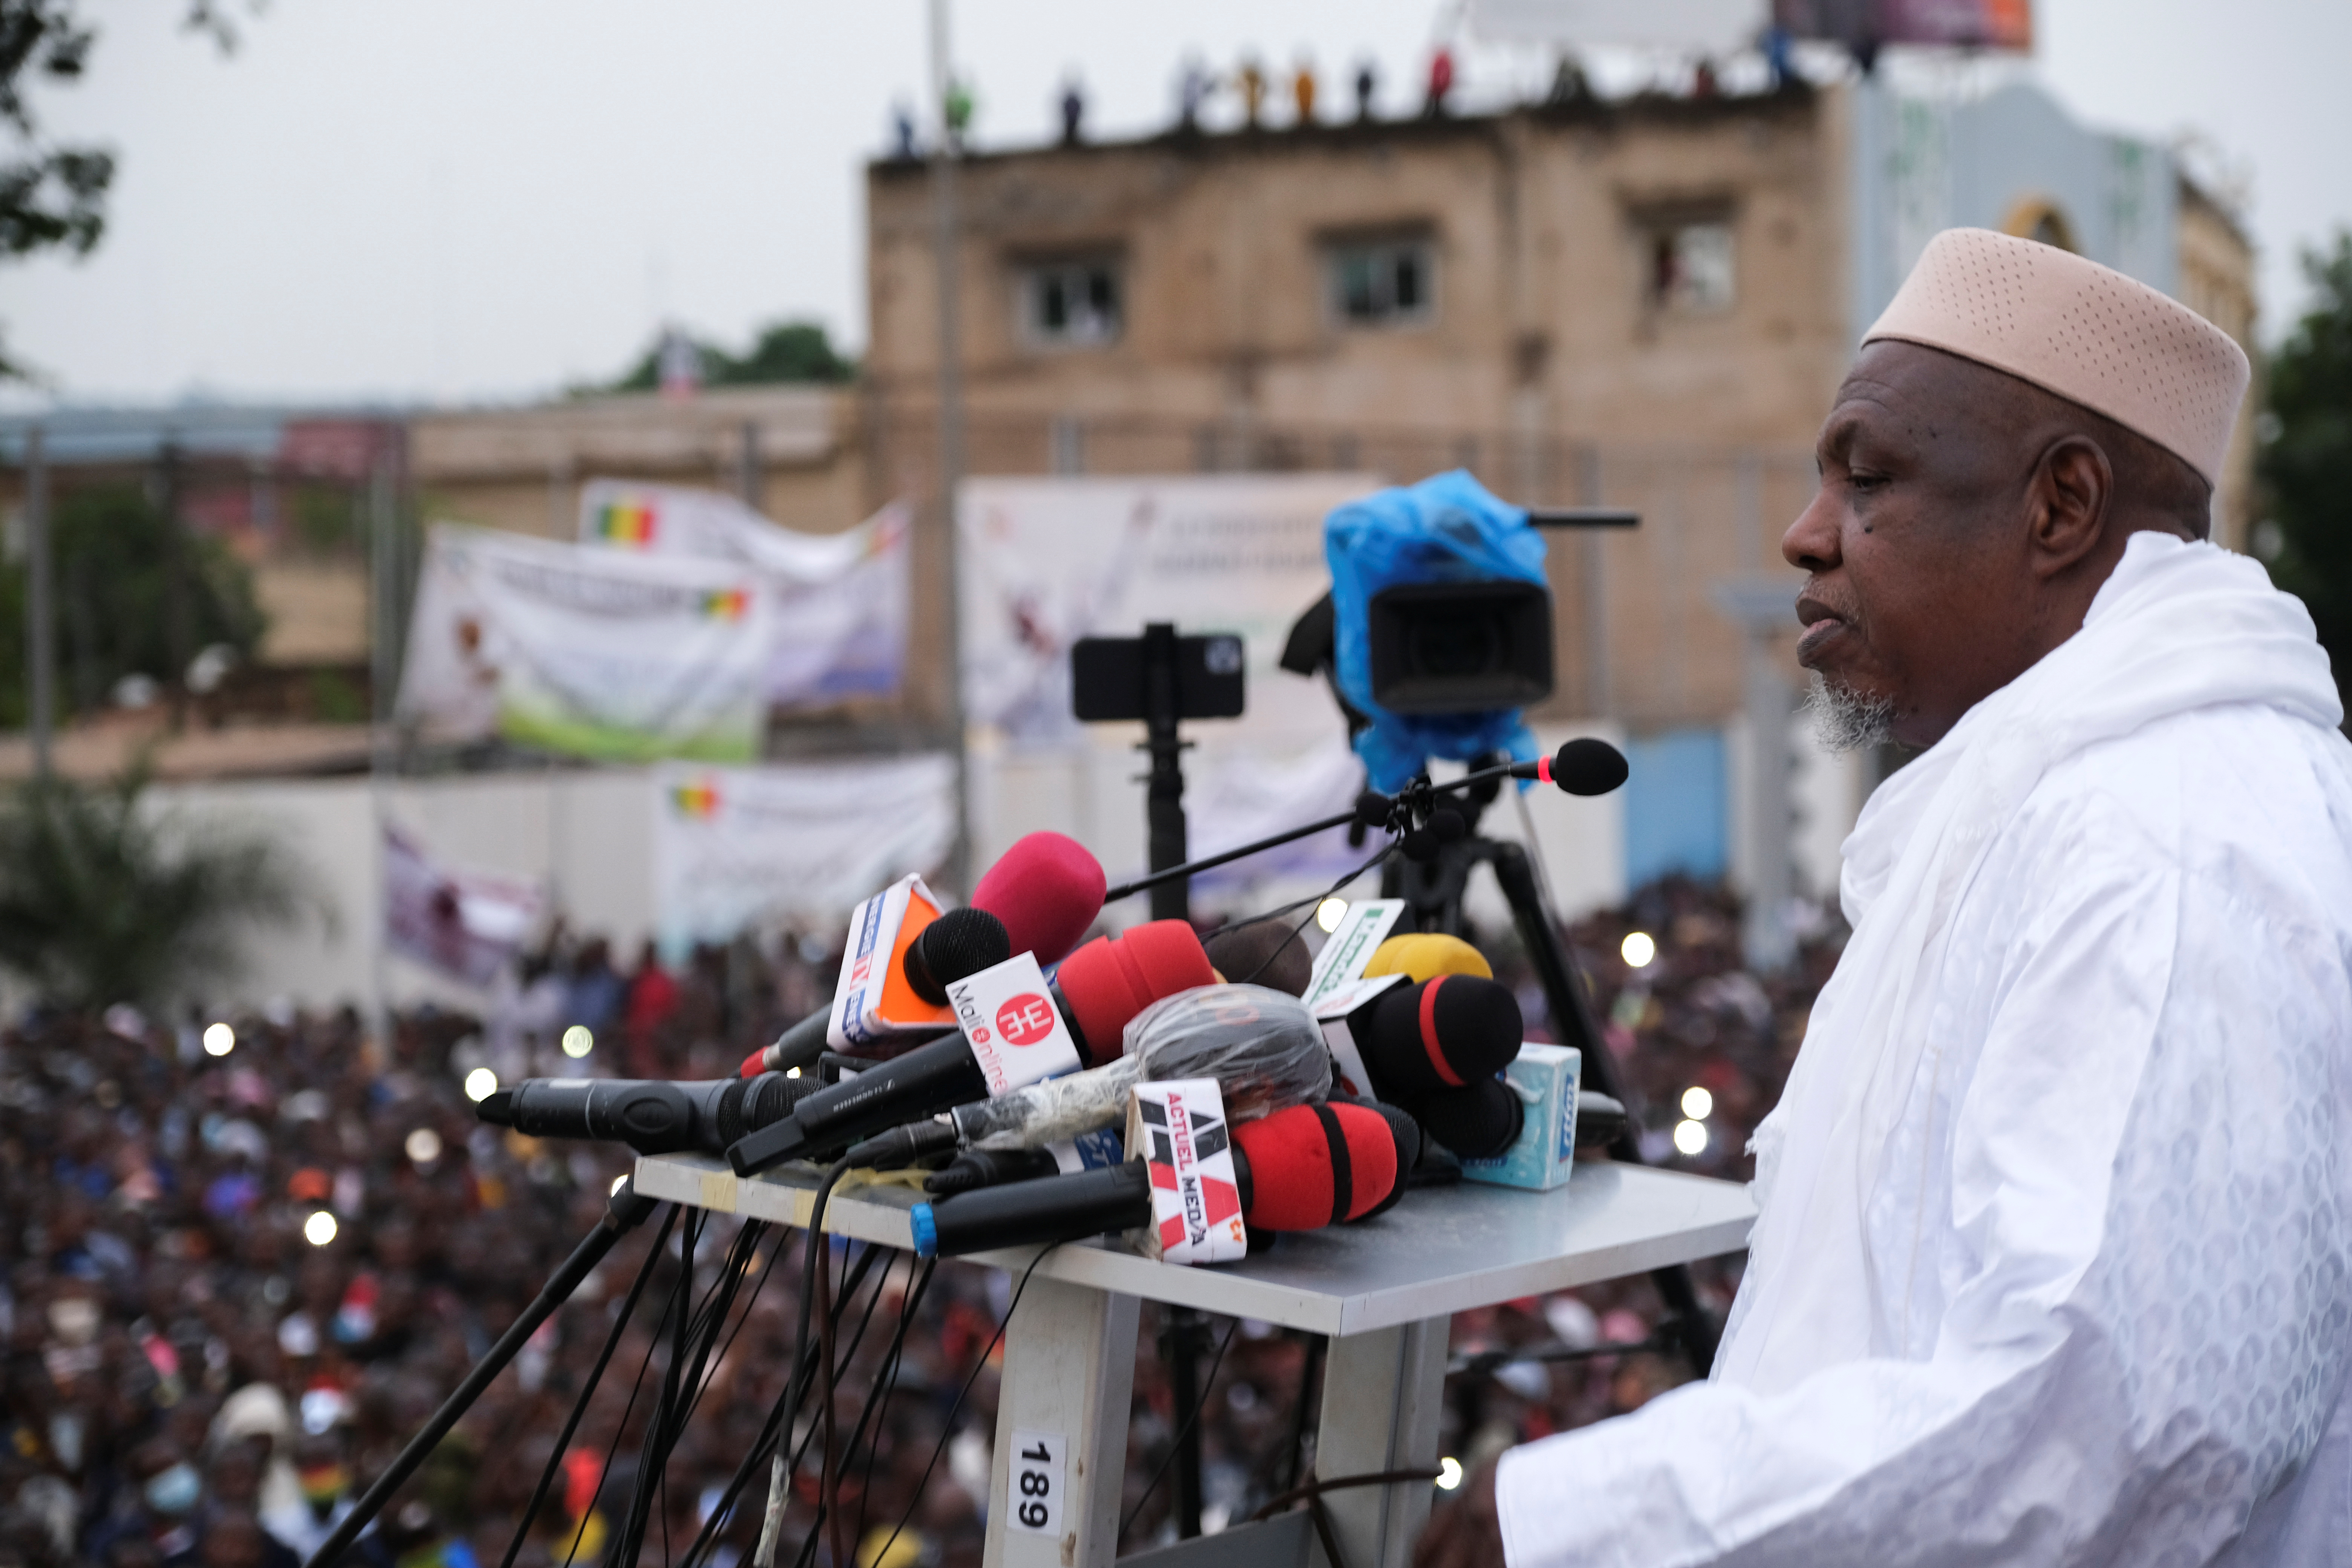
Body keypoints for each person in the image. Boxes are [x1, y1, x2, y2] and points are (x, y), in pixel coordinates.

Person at [1419, 227, 2352, 1563]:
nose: (1805, 537)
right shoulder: (2068, 799)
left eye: (1869, 477)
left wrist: (1569, 1533)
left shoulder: (2166, 840)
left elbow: (2099, 1430)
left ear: (2061, 506)